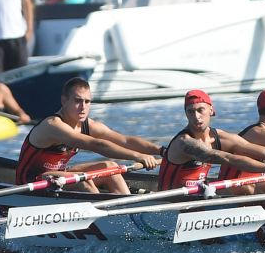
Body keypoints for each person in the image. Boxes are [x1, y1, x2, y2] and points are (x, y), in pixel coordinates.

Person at [15, 77, 161, 192]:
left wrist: (161, 151)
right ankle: (105, 220)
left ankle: (128, 213)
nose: (83, 107)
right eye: (78, 101)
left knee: (110, 168)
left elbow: (124, 140)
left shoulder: (87, 124)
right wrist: (138, 156)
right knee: (82, 180)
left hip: (60, 175)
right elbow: (96, 144)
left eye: (87, 101)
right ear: (64, 101)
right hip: (32, 183)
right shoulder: (53, 125)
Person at [158, 90, 265, 192]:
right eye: (190, 112)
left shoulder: (221, 136)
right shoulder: (185, 142)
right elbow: (226, 158)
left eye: (200, 110)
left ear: (211, 110)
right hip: (170, 206)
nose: (196, 116)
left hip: (197, 202)